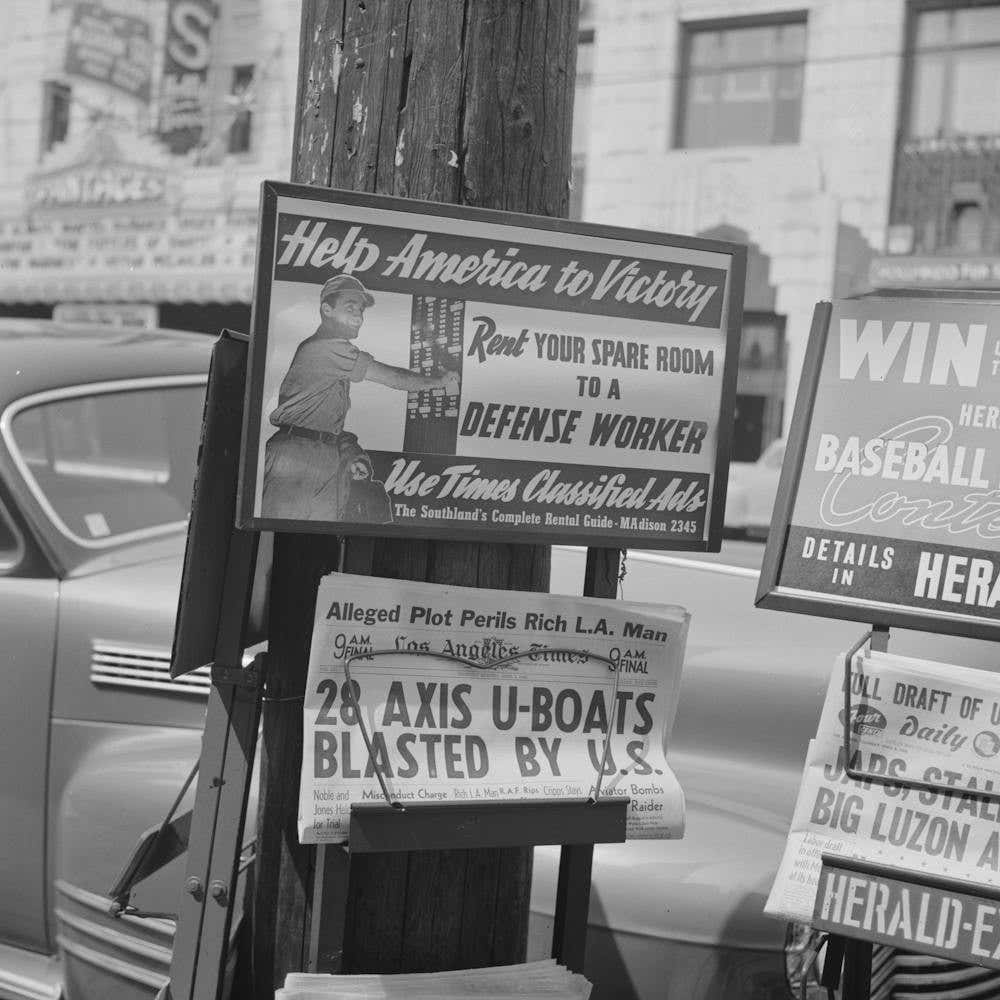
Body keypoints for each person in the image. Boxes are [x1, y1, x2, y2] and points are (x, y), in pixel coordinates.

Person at [261, 274, 459, 521]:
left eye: (361, 310)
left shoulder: (333, 354)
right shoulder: (323, 347)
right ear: (327, 310)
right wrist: (439, 382)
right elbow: (392, 377)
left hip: (323, 454)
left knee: (320, 535)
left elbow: (326, 426)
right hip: (295, 456)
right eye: (350, 307)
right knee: (281, 533)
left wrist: (352, 454)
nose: (359, 316)